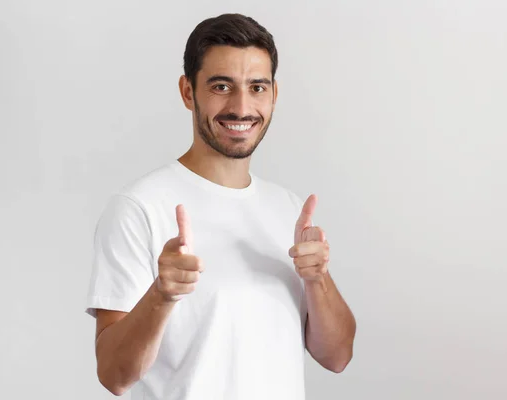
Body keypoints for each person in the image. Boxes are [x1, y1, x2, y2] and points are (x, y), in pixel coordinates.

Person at [85, 13, 356, 399]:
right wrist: (161, 297)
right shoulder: (139, 208)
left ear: (274, 94)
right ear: (187, 92)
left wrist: (317, 280)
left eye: (257, 87)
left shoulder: (289, 209)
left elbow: (338, 356)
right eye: (221, 86)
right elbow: (113, 374)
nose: (241, 107)